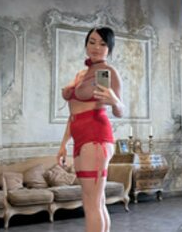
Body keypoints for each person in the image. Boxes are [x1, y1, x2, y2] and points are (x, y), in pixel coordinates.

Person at [57, 27, 124, 232]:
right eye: (92, 42)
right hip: (81, 138)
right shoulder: (81, 74)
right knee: (96, 201)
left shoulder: (107, 72)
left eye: (103, 44)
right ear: (86, 44)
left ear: (109, 49)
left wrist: (114, 101)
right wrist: (63, 145)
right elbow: (73, 114)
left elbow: (120, 111)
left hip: (96, 136)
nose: (96, 47)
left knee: (92, 203)